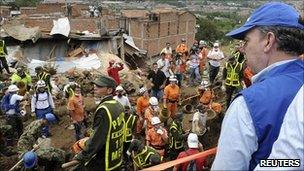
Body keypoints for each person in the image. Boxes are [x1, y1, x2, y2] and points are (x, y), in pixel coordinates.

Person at [212, 2, 304, 170]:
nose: (243, 48)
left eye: (246, 41)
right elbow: (295, 161)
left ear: (268, 41)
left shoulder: (247, 104)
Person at [72, 75, 125, 170]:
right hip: (116, 157)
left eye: (100, 86)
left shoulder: (104, 109)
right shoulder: (119, 105)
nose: (95, 87)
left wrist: (83, 155)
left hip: (105, 160)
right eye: (95, 85)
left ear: (109, 90)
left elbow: (97, 138)